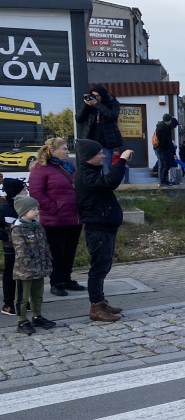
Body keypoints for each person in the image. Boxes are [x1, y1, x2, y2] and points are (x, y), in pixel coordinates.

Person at [74, 138, 131, 322]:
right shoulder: (85, 175)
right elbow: (110, 181)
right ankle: (96, 307)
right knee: (98, 269)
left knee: (104, 266)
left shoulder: (91, 172)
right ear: (89, 157)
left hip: (105, 227)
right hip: (97, 229)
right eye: (99, 153)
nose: (103, 155)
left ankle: (100, 302)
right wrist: (121, 161)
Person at [28, 138, 85, 297]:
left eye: (68, 149)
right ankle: (56, 282)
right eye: (65, 149)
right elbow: (36, 193)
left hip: (74, 217)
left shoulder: (70, 167)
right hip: (55, 219)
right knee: (56, 252)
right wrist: (55, 209)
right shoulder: (41, 169)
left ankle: (67, 279)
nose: (68, 151)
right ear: (52, 151)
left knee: (70, 251)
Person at [10, 195, 60, 334]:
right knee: (22, 297)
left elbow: (45, 246)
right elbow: (21, 251)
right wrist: (28, 265)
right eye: (33, 209)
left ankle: (37, 316)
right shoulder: (18, 229)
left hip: (39, 269)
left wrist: (47, 261)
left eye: (37, 208)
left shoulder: (38, 227)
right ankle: (21, 321)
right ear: (23, 211)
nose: (37, 211)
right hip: (25, 272)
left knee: (37, 295)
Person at [75, 85, 122, 173]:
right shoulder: (89, 104)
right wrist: (86, 105)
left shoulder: (112, 103)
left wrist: (97, 105)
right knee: (90, 167)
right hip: (91, 141)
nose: (95, 98)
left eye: (97, 96)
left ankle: (106, 186)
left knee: (106, 167)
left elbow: (112, 116)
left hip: (106, 142)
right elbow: (79, 119)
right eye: (93, 95)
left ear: (103, 95)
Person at [1, 178, 25, 317]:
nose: (26, 191)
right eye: (23, 190)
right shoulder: (4, 208)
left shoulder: (22, 206)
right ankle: (8, 303)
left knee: (23, 273)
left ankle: (21, 299)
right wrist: (5, 237)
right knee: (10, 274)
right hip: (10, 247)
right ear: (15, 193)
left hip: (23, 247)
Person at [154, 114, 178, 186]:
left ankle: (163, 180)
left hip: (159, 148)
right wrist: (172, 151)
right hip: (163, 149)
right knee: (167, 165)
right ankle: (162, 181)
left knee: (164, 165)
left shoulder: (160, 127)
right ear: (168, 120)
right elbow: (168, 141)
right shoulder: (165, 129)